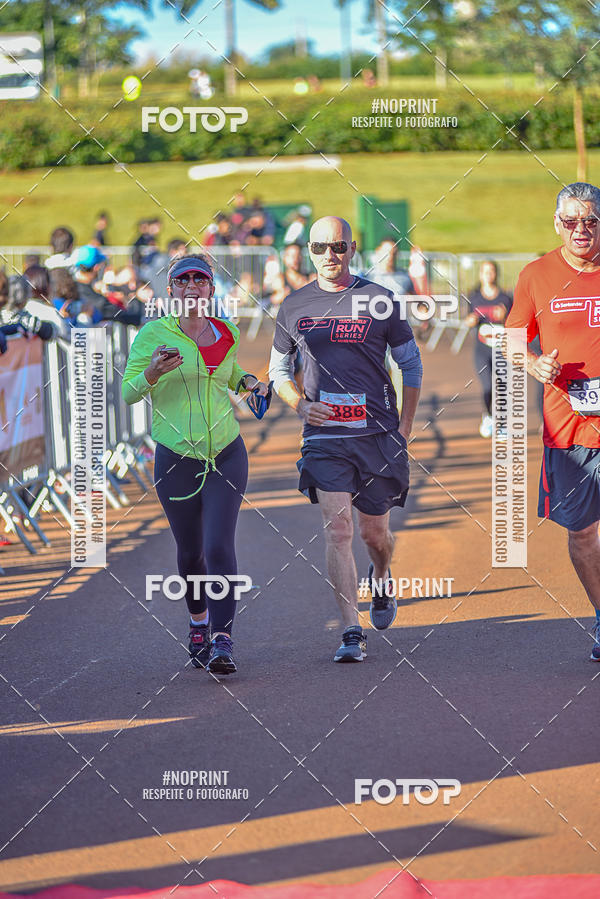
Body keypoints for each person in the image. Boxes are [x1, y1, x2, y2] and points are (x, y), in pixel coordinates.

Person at [268, 216, 423, 663]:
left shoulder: (380, 300)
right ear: (309, 251)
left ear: (352, 249)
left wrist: (404, 428)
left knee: (375, 534)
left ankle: (382, 576)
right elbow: (278, 370)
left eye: (338, 246)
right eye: (320, 247)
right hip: (325, 437)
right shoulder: (295, 305)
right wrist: (300, 405)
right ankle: (351, 630)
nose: (329, 255)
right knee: (338, 529)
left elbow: (411, 365)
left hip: (377, 435)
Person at [122, 254, 269, 675]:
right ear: (171, 290)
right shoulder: (153, 334)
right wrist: (152, 372)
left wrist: (249, 383)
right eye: (183, 280)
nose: (192, 287)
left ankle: (223, 639)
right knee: (191, 554)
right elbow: (129, 393)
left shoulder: (226, 331)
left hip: (226, 453)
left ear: (210, 289)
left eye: (199, 280)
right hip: (175, 459)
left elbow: (229, 372)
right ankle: (198, 622)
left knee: (218, 546)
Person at [506, 182, 600, 662]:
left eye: (590, 220)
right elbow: (512, 339)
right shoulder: (536, 275)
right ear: (557, 224)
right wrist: (533, 363)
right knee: (582, 533)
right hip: (568, 430)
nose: (581, 229)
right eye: (571, 220)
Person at [464, 260, 512, 438]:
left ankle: (503, 424)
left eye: (491, 271)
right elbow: (467, 320)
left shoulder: (505, 298)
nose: (488, 274)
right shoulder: (474, 297)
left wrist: (505, 317)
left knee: (502, 385)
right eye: (485, 271)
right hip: (482, 349)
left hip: (501, 349)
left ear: (496, 274)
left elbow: (515, 323)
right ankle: (488, 416)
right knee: (487, 386)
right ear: (480, 275)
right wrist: (470, 321)